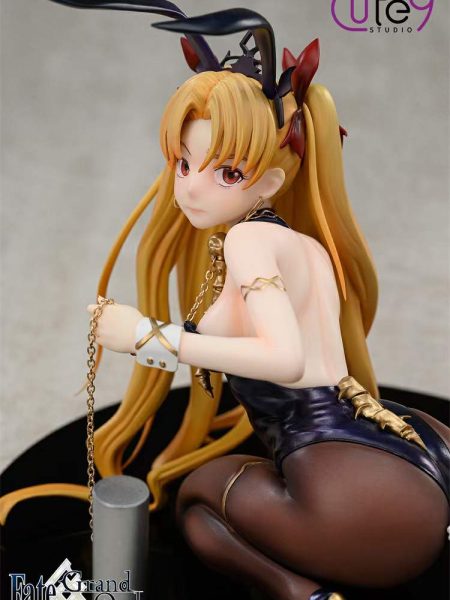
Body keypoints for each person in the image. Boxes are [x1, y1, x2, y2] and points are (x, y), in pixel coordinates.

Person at [1, 4, 448, 599]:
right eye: (183, 163)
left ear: (271, 183)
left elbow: (285, 358)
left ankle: (305, 595)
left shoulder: (247, 241)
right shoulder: (307, 247)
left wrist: (146, 337)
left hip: (345, 486)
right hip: (406, 451)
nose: (190, 187)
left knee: (195, 502)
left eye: (228, 173)